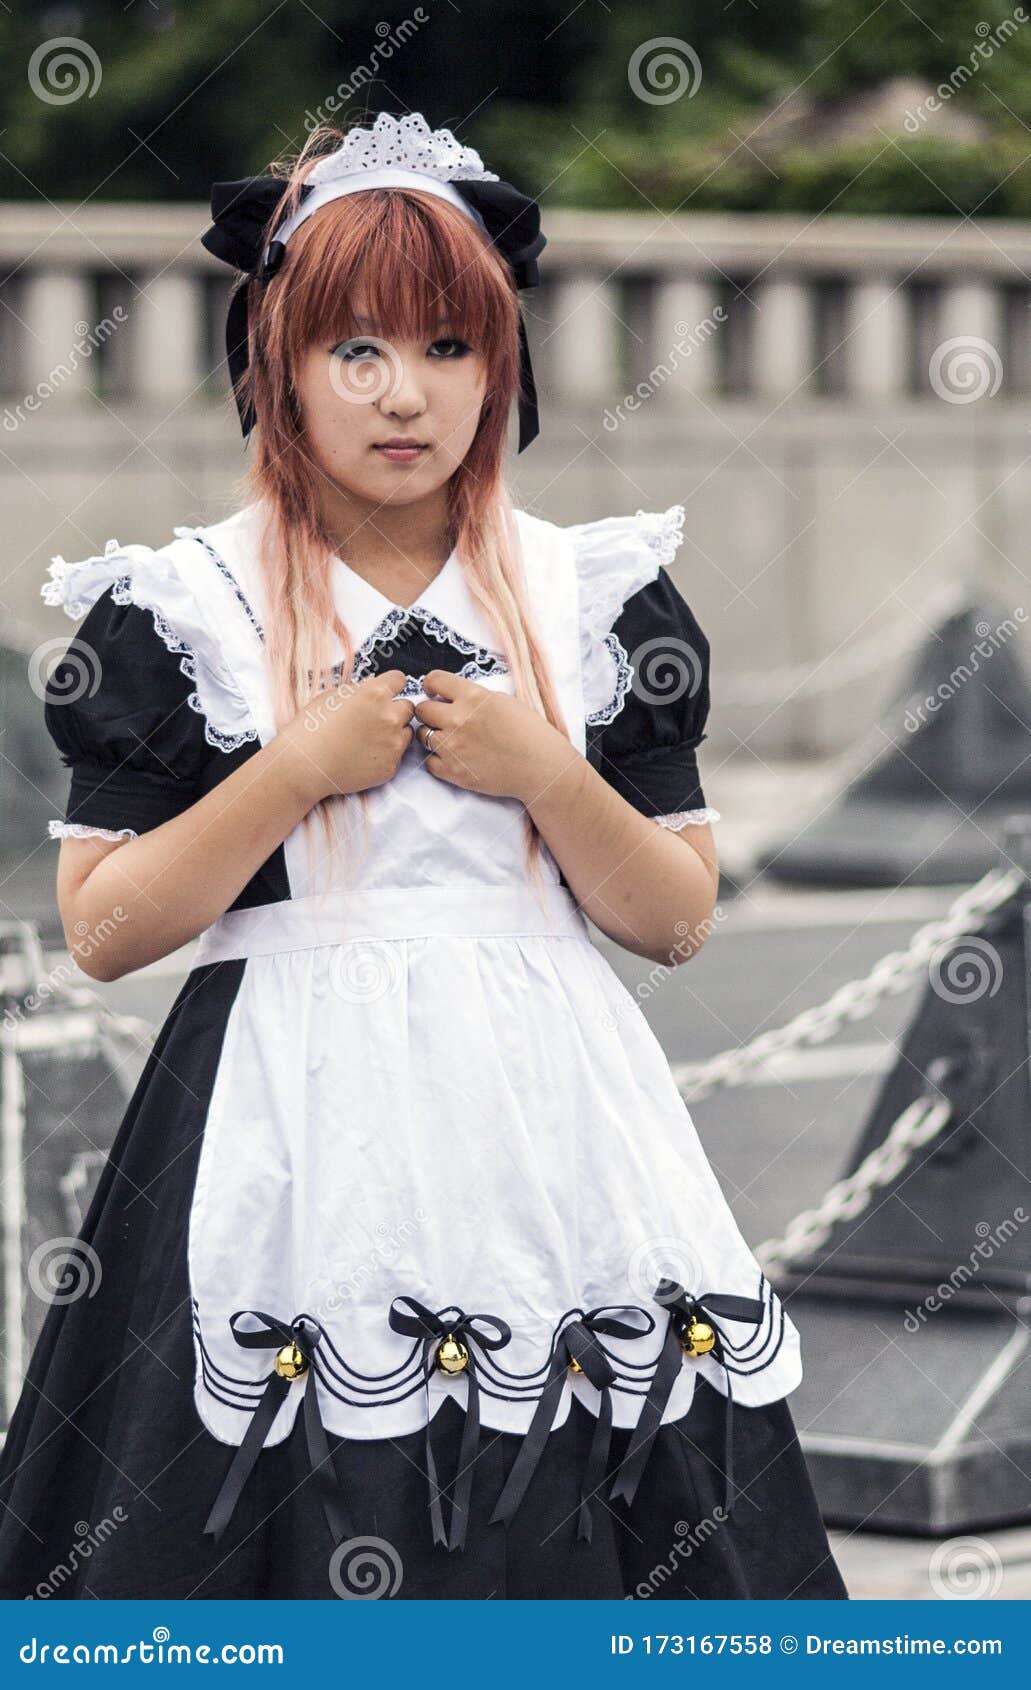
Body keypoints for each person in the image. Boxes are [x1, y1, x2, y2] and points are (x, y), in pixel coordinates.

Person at [0, 111, 848, 1601]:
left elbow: (675, 915)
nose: (409, 395)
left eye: (453, 349)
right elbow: (108, 927)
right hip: (273, 1124)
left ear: (502, 367)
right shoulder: (179, 610)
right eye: (358, 350)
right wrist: (292, 772)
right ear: (275, 362)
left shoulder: (595, 596)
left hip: (559, 1132)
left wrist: (545, 774)